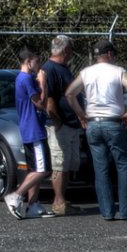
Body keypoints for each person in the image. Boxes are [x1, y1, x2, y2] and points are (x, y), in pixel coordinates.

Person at [71, 39, 127, 221]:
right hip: (113, 122)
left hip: (93, 123)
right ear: (110, 54)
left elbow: (69, 93)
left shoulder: (86, 73)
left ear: (96, 56)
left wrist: (81, 114)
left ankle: (107, 211)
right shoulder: (118, 71)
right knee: (123, 165)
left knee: (100, 168)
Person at [6, 45, 52, 219]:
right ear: (28, 61)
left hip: (32, 128)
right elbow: (40, 103)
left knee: (35, 169)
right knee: (43, 169)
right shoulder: (25, 79)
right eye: (37, 61)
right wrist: (43, 84)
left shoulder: (25, 78)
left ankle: (33, 204)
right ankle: (16, 195)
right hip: (33, 130)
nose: (39, 65)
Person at [37, 34, 81, 216]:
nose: (72, 53)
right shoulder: (50, 69)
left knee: (68, 163)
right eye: (71, 49)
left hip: (70, 124)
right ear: (64, 50)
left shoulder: (63, 68)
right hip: (60, 126)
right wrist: (57, 121)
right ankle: (58, 201)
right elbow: (49, 98)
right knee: (59, 163)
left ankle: (62, 199)